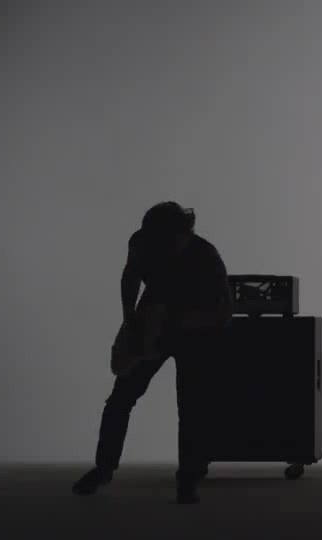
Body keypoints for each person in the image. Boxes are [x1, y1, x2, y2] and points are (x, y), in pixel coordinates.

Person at [72, 202, 233, 504]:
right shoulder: (141, 242)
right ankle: (104, 468)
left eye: (166, 241)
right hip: (151, 326)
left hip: (195, 333)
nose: (159, 247)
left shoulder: (205, 255)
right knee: (120, 399)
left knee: (191, 407)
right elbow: (130, 276)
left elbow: (223, 313)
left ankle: (188, 479)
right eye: (153, 240)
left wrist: (180, 320)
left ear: (182, 234)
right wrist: (130, 319)